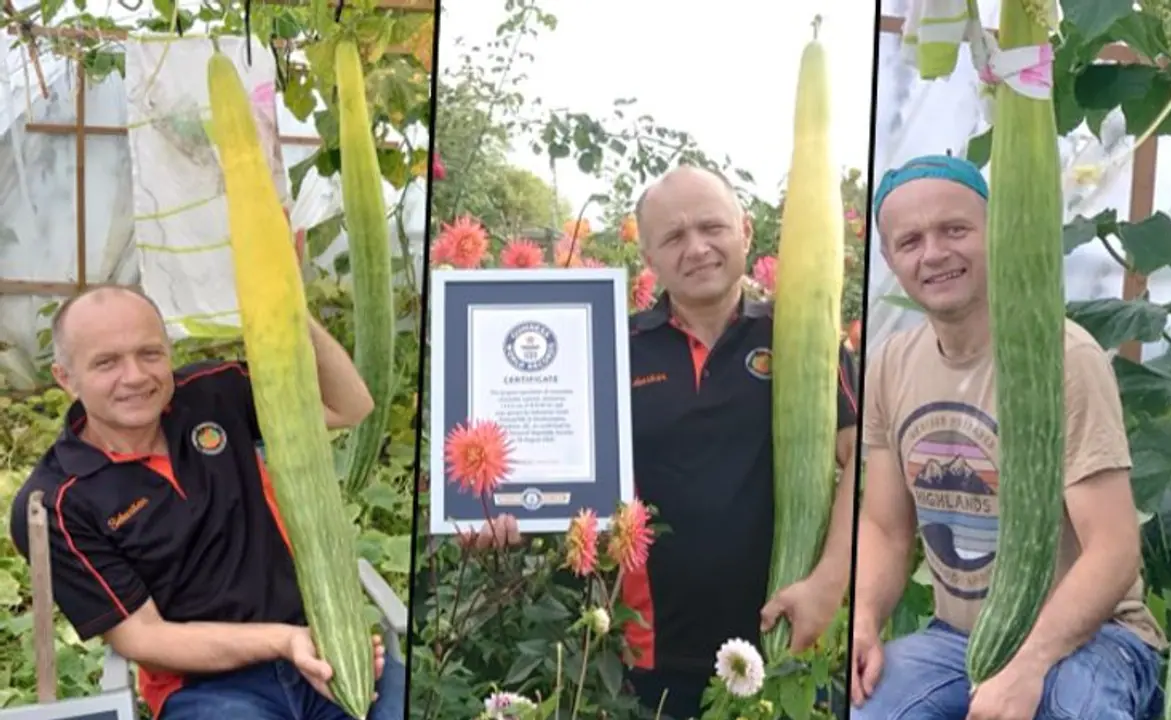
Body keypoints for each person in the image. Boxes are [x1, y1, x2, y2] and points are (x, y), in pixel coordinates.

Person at [468, 165, 861, 719]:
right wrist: (492, 507)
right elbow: (547, 453)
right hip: (649, 657)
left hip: (785, 637)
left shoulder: (801, 334)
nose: (697, 248)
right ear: (649, 258)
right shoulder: (610, 346)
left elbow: (865, 459)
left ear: (745, 231)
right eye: (673, 237)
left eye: (712, 227)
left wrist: (828, 582)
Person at [852, 154, 1166, 720]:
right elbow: (883, 527)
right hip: (960, 639)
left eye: (955, 229)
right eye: (911, 240)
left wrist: (1027, 666)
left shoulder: (1064, 358)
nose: (935, 253)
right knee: (868, 709)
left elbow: (1114, 551)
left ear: (994, 231)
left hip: (1096, 638)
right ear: (889, 258)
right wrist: (866, 618)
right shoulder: (890, 365)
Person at [8, 285, 405, 720]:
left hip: (323, 647)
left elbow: (350, 406)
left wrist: (291, 304)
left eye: (150, 353)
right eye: (106, 362)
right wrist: (285, 642)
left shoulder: (213, 394)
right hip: (208, 692)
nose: (136, 376)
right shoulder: (56, 502)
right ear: (66, 378)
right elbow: (144, 639)